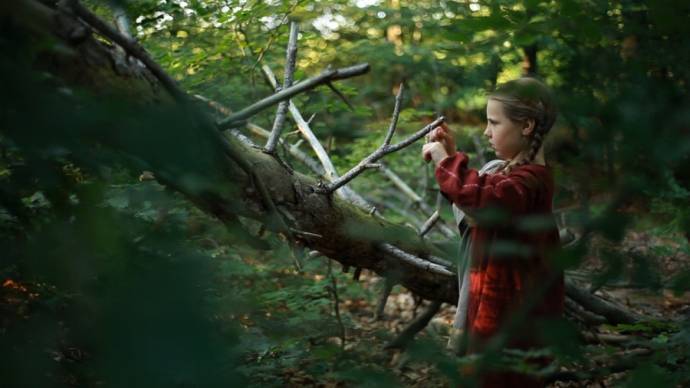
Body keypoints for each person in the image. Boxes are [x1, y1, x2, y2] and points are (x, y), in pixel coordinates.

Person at [422, 77, 565, 388]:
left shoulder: (529, 181)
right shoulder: (508, 174)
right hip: (497, 305)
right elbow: (473, 200)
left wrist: (446, 161)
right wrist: (451, 154)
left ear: (526, 126)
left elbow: (485, 197)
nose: (486, 131)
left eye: (493, 122)